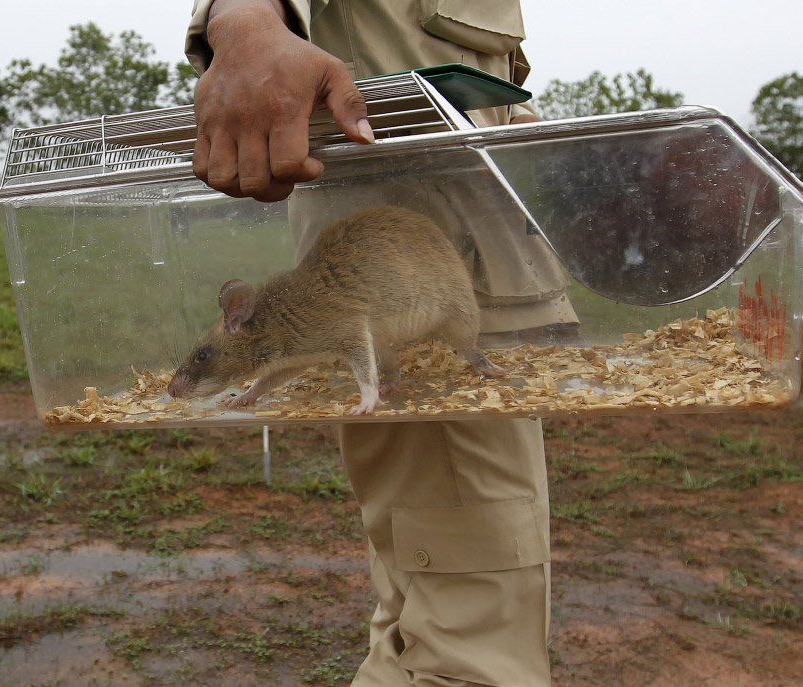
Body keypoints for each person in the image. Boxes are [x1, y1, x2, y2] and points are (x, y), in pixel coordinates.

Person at [185, 2, 570, 685]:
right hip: (415, 289)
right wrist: (243, 27)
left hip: (465, 261)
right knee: (475, 645)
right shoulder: (287, 323)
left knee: (421, 616)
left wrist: (505, 126)